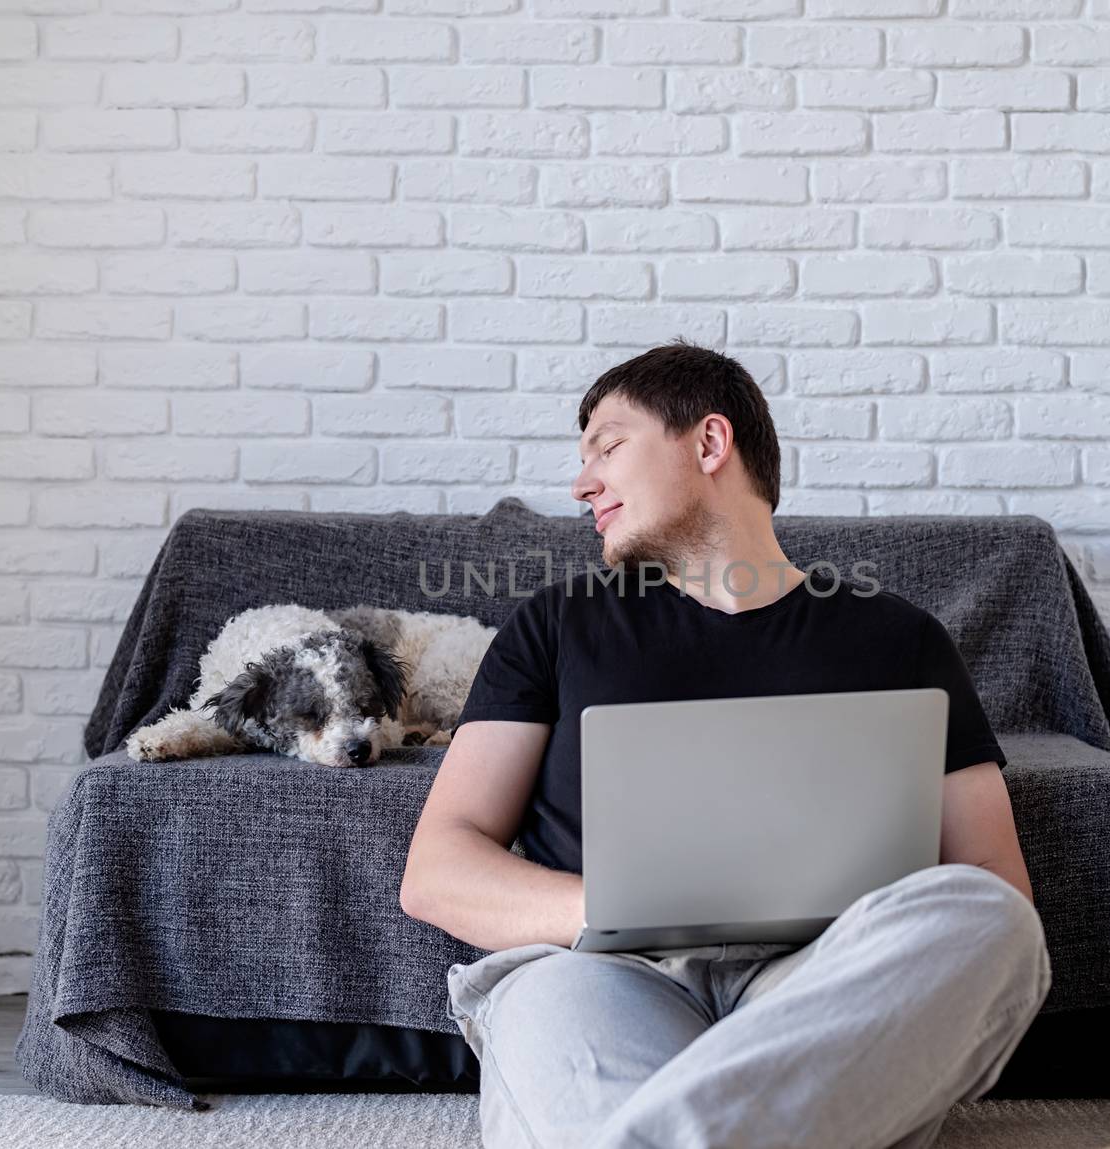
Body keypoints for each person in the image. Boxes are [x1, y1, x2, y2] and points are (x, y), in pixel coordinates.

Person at [399, 339, 1052, 1149]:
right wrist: (617, 911)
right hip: (600, 972)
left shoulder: (900, 638)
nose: (581, 483)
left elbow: (994, 876)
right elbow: (437, 869)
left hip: (823, 982)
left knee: (997, 924)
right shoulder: (558, 624)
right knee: (550, 1014)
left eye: (608, 445)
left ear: (709, 442)